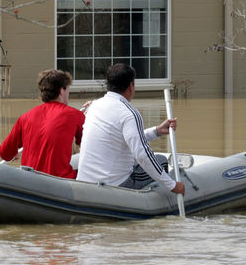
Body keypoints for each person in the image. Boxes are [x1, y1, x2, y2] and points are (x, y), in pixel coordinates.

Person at [76, 63, 185, 195]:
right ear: (131, 86)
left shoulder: (94, 106)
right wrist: (172, 185)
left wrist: (156, 131)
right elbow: (142, 155)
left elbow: (123, 138)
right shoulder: (129, 113)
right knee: (161, 161)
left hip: (84, 182)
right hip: (116, 184)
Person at [0, 69, 85, 178]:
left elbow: (4, 153)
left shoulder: (25, 117)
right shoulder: (75, 115)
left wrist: (13, 153)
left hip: (29, 181)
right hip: (61, 182)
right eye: (68, 89)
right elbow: (89, 148)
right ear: (61, 91)